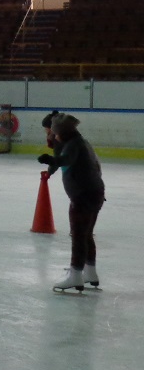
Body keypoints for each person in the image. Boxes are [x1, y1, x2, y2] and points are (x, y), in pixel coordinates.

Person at [38, 113, 106, 292]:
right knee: (86, 234)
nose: (52, 135)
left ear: (61, 132)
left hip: (83, 196)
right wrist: (51, 167)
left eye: (53, 132)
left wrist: (50, 160)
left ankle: (75, 274)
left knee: (78, 236)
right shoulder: (79, 142)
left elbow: (65, 159)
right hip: (94, 193)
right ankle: (90, 272)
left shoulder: (74, 145)